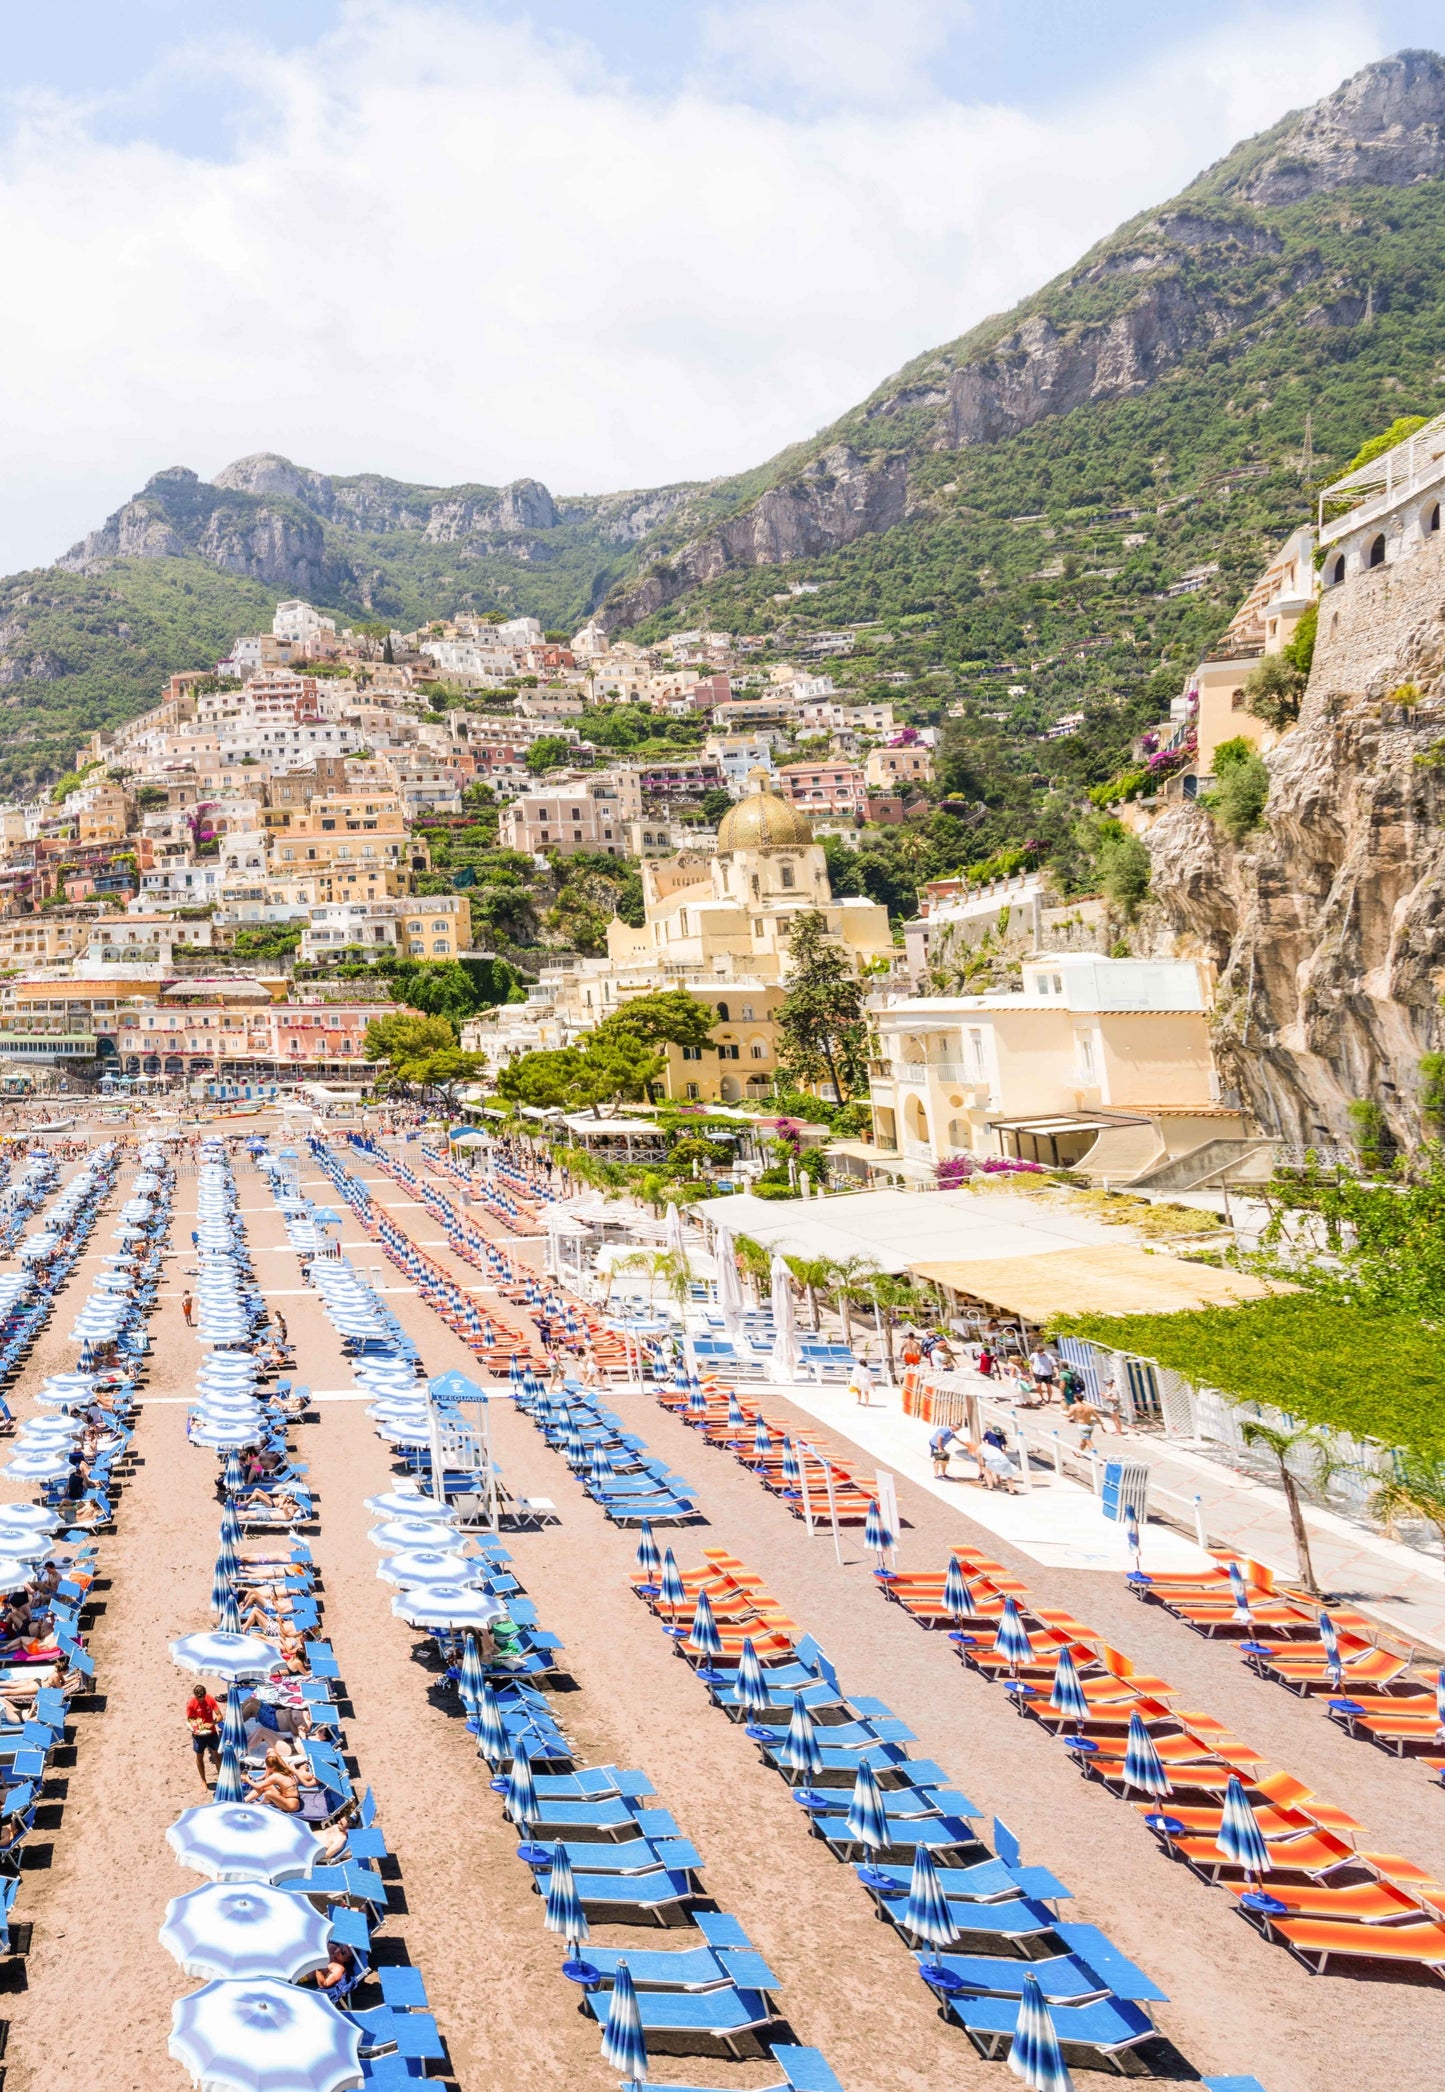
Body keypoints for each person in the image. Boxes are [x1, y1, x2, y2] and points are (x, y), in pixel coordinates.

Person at [187, 1687, 223, 1788]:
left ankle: (221, 1778)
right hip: (198, 1735)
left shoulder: (210, 1699)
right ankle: (203, 1781)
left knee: (217, 1755)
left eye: (202, 1698)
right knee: (199, 1756)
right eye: (199, 1699)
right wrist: (197, 1727)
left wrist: (212, 1723)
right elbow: (190, 1720)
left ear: (205, 1694)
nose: (201, 1700)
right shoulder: (191, 1704)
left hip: (211, 1732)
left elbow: (220, 1716)